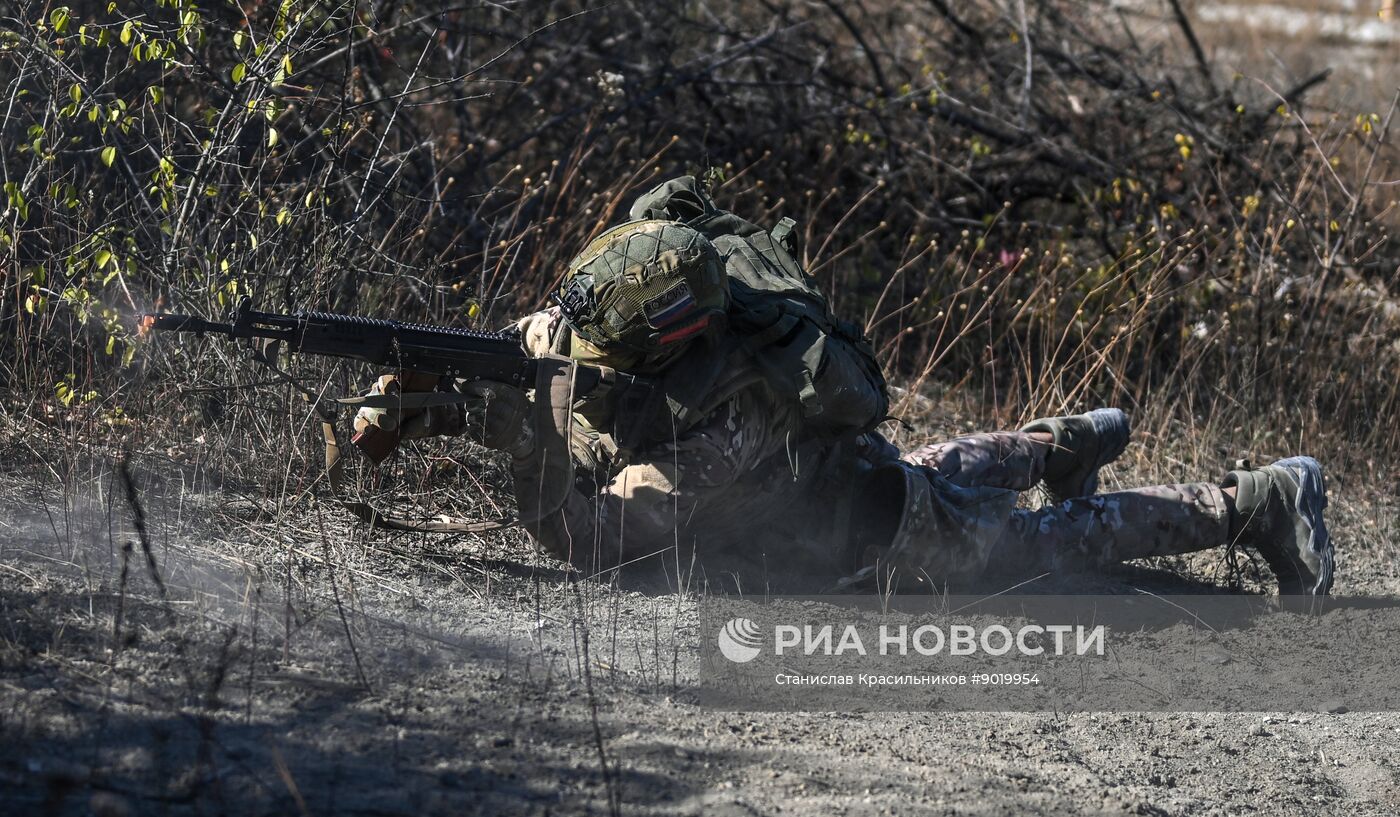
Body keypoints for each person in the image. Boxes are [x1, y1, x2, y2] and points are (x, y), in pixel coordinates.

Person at [353, 177, 1334, 595]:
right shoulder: (593, 321)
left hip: (868, 526)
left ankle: (1254, 500)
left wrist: (517, 455)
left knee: (1041, 542)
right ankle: (1056, 441)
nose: (572, 349)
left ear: (667, 341)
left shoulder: (725, 413)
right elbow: (518, 357)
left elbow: (604, 545)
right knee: (934, 467)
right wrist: (413, 395)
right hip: (847, 465)